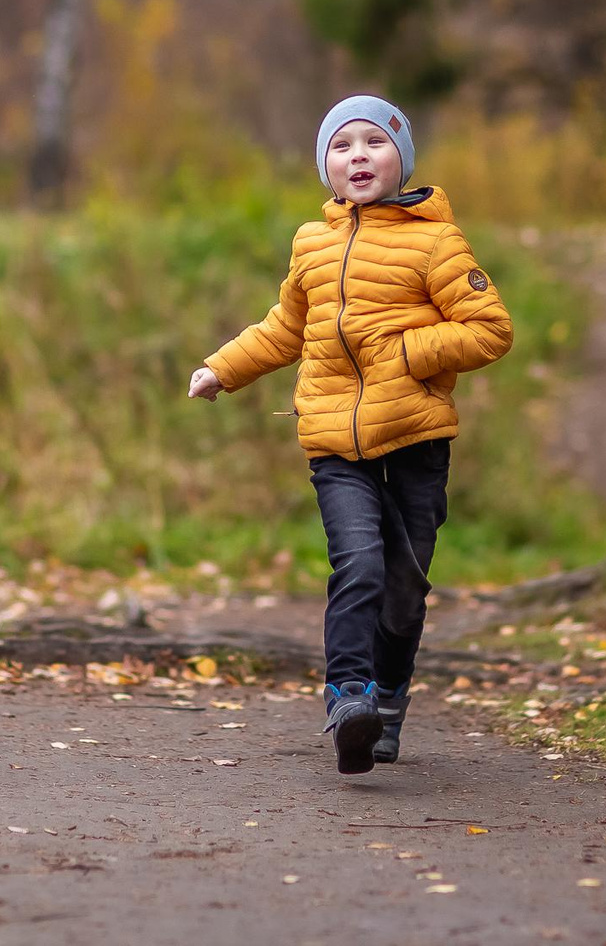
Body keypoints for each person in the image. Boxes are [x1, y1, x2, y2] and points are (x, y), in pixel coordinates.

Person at [187, 95, 513, 773]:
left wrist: (410, 353)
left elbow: (491, 330)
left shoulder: (436, 241)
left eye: (375, 142)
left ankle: (389, 700)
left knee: (404, 587)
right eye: (342, 145)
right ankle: (349, 699)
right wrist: (222, 368)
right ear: (326, 166)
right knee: (358, 565)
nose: (358, 154)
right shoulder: (313, 243)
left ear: (402, 159)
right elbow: (284, 328)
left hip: (417, 440)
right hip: (336, 441)